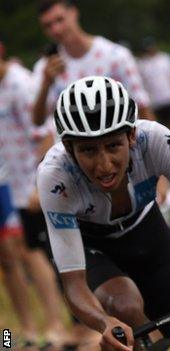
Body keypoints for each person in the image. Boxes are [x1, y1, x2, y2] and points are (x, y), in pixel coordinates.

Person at [37, 76, 170, 351]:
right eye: (88, 150)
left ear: (131, 135)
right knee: (125, 306)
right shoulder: (54, 177)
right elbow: (73, 283)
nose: (104, 165)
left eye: (113, 146)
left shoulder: (156, 140)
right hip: (93, 247)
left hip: (147, 232)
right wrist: (104, 322)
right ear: (69, 149)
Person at [0, 40, 75, 349]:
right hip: (8, 183)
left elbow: (45, 133)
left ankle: (58, 326)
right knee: (9, 257)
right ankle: (23, 334)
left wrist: (36, 185)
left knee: (33, 254)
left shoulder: (20, 82)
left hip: (32, 185)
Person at [32, 0, 156, 128]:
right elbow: (37, 121)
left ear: (73, 13)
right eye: (48, 26)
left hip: (115, 143)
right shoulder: (46, 68)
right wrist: (46, 84)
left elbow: (142, 107)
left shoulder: (116, 56)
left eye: (59, 20)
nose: (56, 29)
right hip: (71, 147)